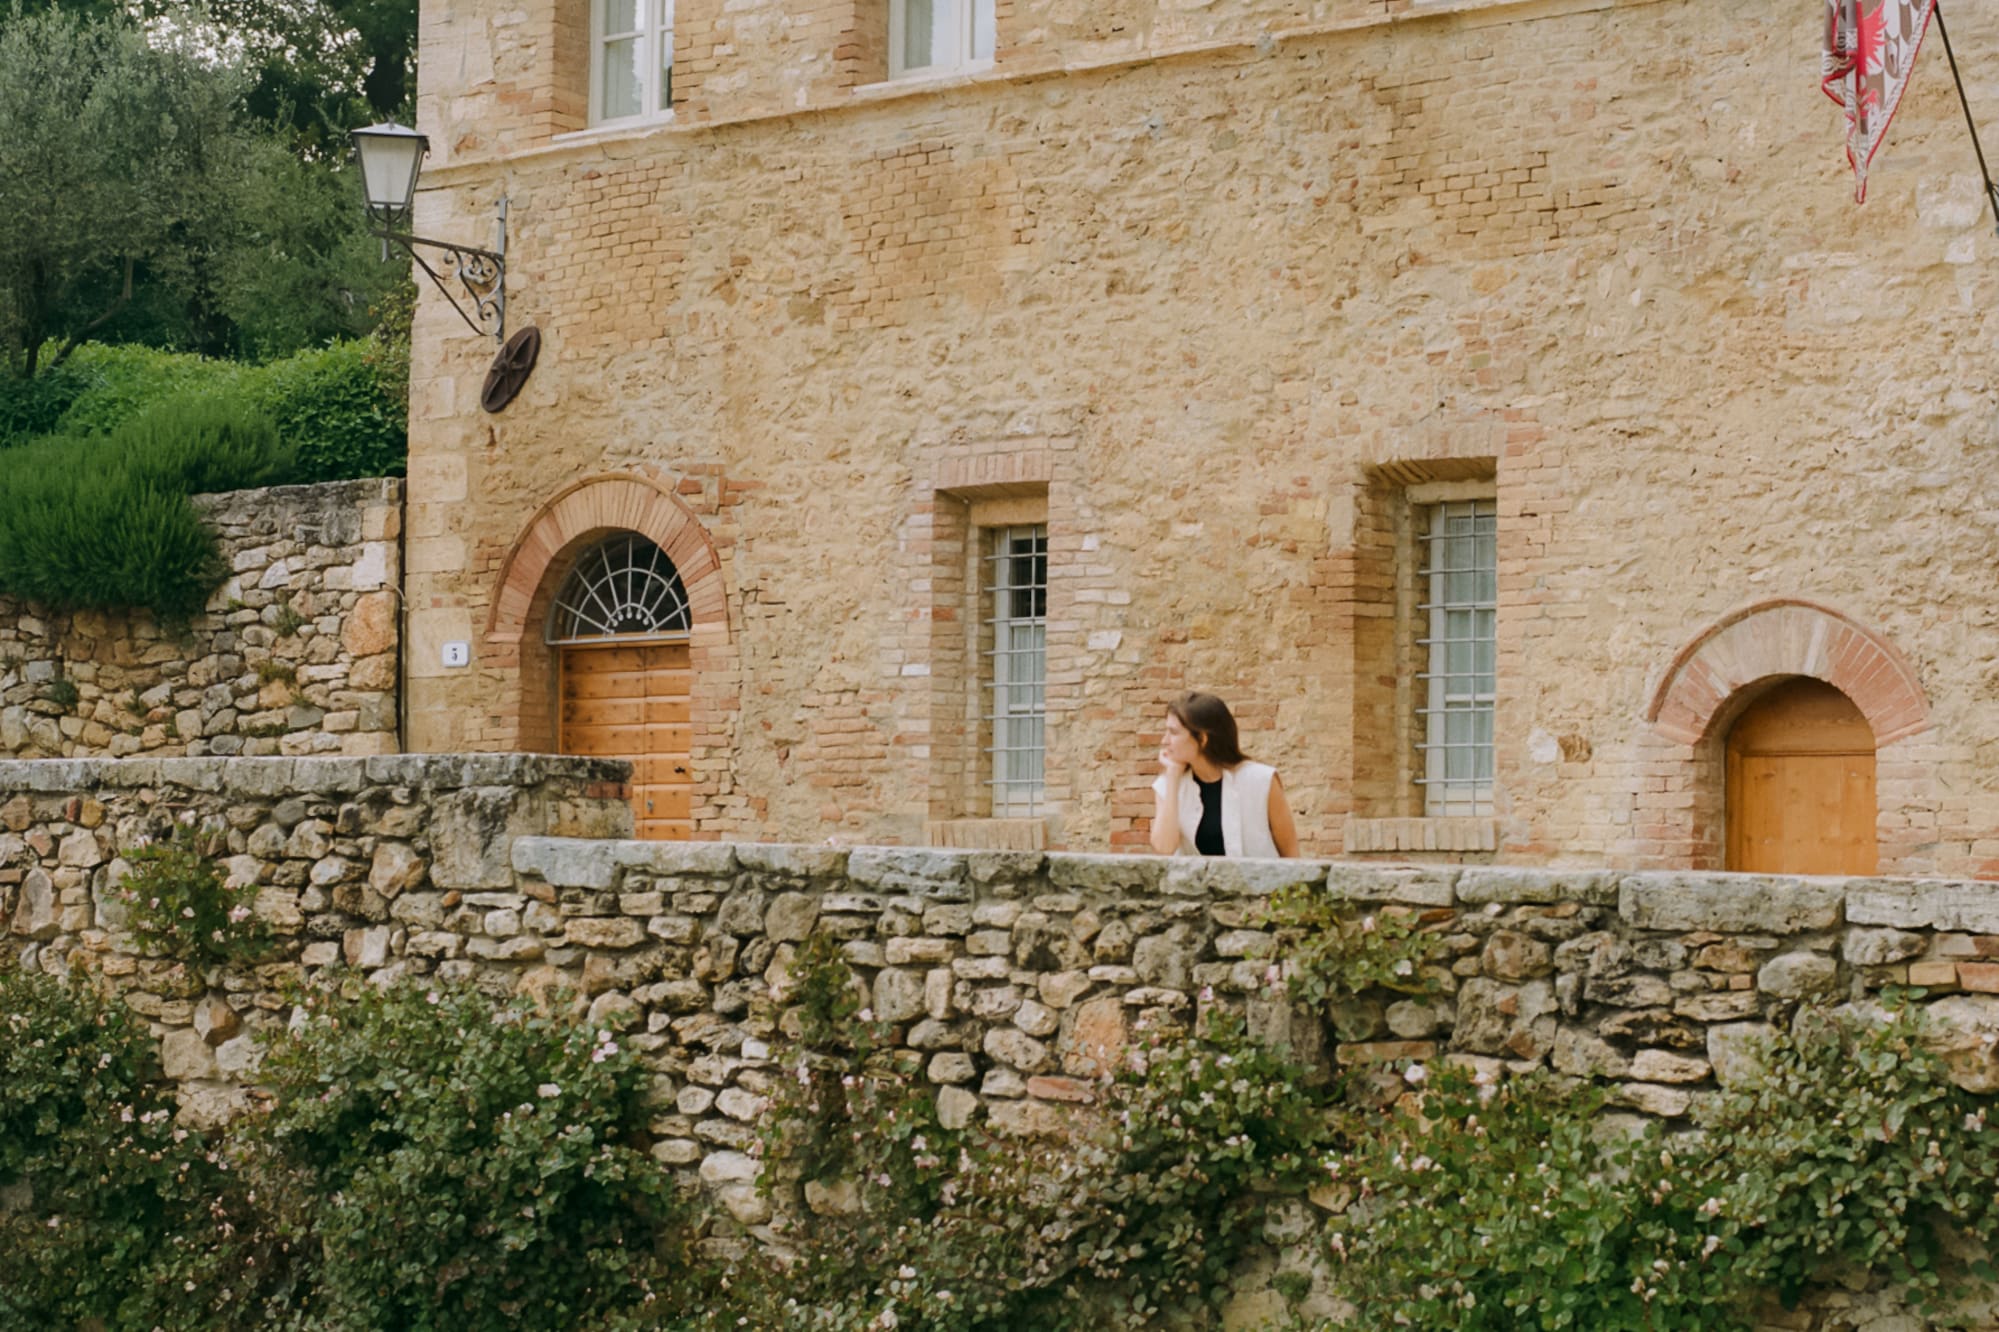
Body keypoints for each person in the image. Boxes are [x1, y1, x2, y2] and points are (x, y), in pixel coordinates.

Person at [1148, 691, 1299, 858]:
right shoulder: (1167, 785)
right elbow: (1164, 848)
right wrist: (1173, 775)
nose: (1164, 741)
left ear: (1202, 739)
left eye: (1173, 733)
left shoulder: (1261, 781)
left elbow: (1291, 853)